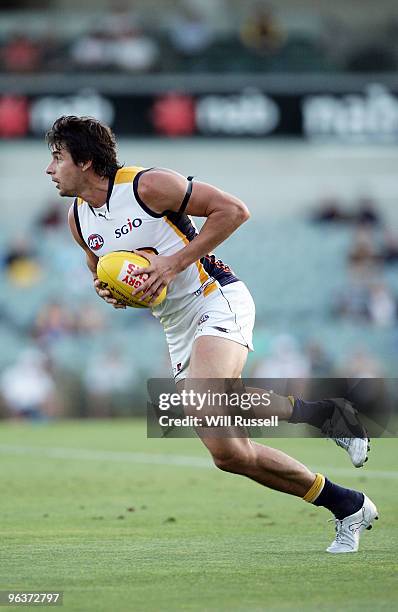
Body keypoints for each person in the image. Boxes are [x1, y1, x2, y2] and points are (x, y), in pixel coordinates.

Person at [45, 115, 378, 554]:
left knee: (208, 395)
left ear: (85, 161)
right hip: (175, 324)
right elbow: (107, 274)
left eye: (57, 158)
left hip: (214, 295)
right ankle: (346, 500)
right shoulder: (77, 220)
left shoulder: (147, 186)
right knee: (230, 455)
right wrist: (113, 293)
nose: (50, 170)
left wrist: (175, 262)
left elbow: (235, 211)